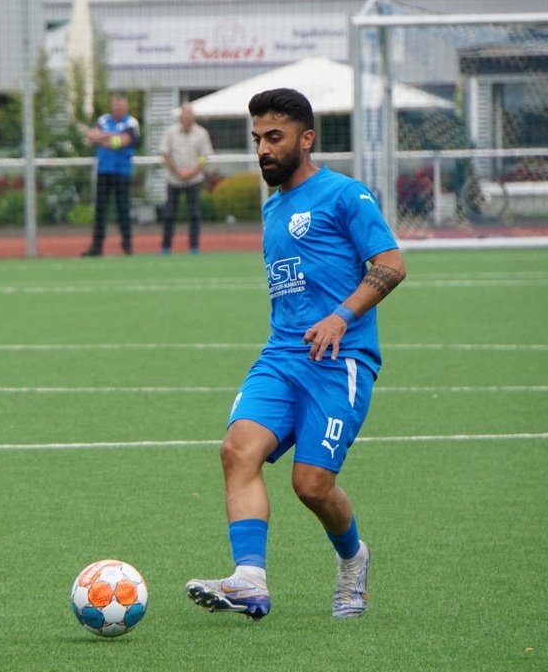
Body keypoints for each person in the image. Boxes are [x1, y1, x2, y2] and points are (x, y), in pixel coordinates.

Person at [185, 88, 406, 621]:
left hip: (340, 361)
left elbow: (391, 264)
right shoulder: (273, 208)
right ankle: (249, 580)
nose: (263, 149)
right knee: (236, 451)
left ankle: (353, 558)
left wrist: (340, 316)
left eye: (275, 137)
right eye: (257, 138)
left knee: (311, 485)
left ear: (306, 139)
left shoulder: (345, 195)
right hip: (281, 356)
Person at [81, 94, 139, 257]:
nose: (118, 109)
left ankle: (127, 245)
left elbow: (122, 142)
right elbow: (91, 135)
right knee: (100, 209)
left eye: (121, 107)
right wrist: (112, 137)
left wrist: (104, 137)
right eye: (116, 106)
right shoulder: (103, 120)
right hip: (104, 170)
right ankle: (97, 246)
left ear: (125, 108)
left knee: (123, 209)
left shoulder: (131, 123)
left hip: (122, 171)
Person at [159, 102, 213, 255]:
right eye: (186, 114)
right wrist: (177, 172)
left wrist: (191, 172)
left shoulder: (202, 133)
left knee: (194, 214)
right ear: (181, 116)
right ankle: (165, 247)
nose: (188, 117)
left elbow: (203, 157)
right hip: (173, 179)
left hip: (194, 180)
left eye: (190, 114)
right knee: (169, 214)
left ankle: (194, 247)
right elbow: (165, 154)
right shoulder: (170, 132)